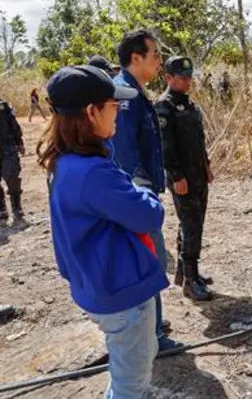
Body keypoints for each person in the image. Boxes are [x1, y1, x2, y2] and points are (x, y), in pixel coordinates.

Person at [38, 64, 168, 398]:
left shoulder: (67, 162)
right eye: (113, 107)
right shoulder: (92, 172)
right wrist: (144, 190)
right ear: (91, 112)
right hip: (122, 292)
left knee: (132, 363)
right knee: (131, 380)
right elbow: (148, 216)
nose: (118, 114)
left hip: (100, 284)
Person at [112, 29, 181, 352]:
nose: (159, 60)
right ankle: (151, 337)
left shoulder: (134, 93)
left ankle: (152, 330)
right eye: (154, 54)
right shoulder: (124, 96)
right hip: (136, 198)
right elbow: (125, 154)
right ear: (135, 58)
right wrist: (143, 199)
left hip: (140, 196)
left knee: (151, 262)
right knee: (149, 264)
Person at [154, 56, 214, 301]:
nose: (187, 82)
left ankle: (187, 272)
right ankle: (191, 280)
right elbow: (164, 147)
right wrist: (176, 175)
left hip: (198, 173)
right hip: (182, 178)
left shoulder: (189, 105)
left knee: (194, 223)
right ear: (168, 78)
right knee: (191, 225)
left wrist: (207, 166)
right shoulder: (163, 107)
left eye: (189, 78)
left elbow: (198, 140)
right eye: (181, 78)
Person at [0, 97, 24, 221]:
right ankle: (1, 209)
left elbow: (13, 124)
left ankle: (16, 207)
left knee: (13, 176)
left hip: (7, 145)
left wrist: (19, 142)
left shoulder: (3, 106)